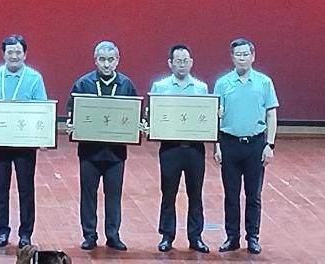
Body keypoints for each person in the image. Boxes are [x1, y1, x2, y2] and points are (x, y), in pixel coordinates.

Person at [67, 40, 137, 252]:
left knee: (113, 195)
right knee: (88, 194)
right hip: (89, 152)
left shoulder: (126, 85)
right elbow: (72, 113)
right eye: (102, 59)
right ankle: (89, 235)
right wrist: (71, 124)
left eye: (110, 60)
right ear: (95, 60)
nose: (106, 64)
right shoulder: (83, 84)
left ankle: (113, 235)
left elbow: (133, 115)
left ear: (117, 60)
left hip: (116, 153)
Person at [0, 34, 48, 248]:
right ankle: (2, 231)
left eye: (18, 52)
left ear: (25, 54)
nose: (14, 56)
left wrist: (43, 134)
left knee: (26, 189)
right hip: (0, 140)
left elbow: (42, 108)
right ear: (3, 54)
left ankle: (25, 233)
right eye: (10, 52)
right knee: (1, 188)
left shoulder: (34, 77)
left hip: (25, 142)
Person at [213, 38, 278, 255]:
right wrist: (217, 145)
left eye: (245, 54)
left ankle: (253, 237)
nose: (242, 58)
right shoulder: (222, 83)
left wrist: (270, 144)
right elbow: (215, 116)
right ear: (232, 57)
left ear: (253, 56)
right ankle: (232, 237)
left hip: (255, 145)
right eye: (238, 54)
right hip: (229, 144)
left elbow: (271, 114)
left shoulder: (264, 82)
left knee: (254, 195)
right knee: (231, 195)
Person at [149, 44, 210, 253]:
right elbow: (154, 117)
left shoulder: (201, 88)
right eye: (178, 61)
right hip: (170, 149)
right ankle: (167, 236)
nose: (182, 64)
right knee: (168, 193)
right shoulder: (160, 87)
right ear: (170, 63)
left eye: (185, 61)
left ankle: (196, 237)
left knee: (196, 194)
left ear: (191, 62)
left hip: (195, 149)